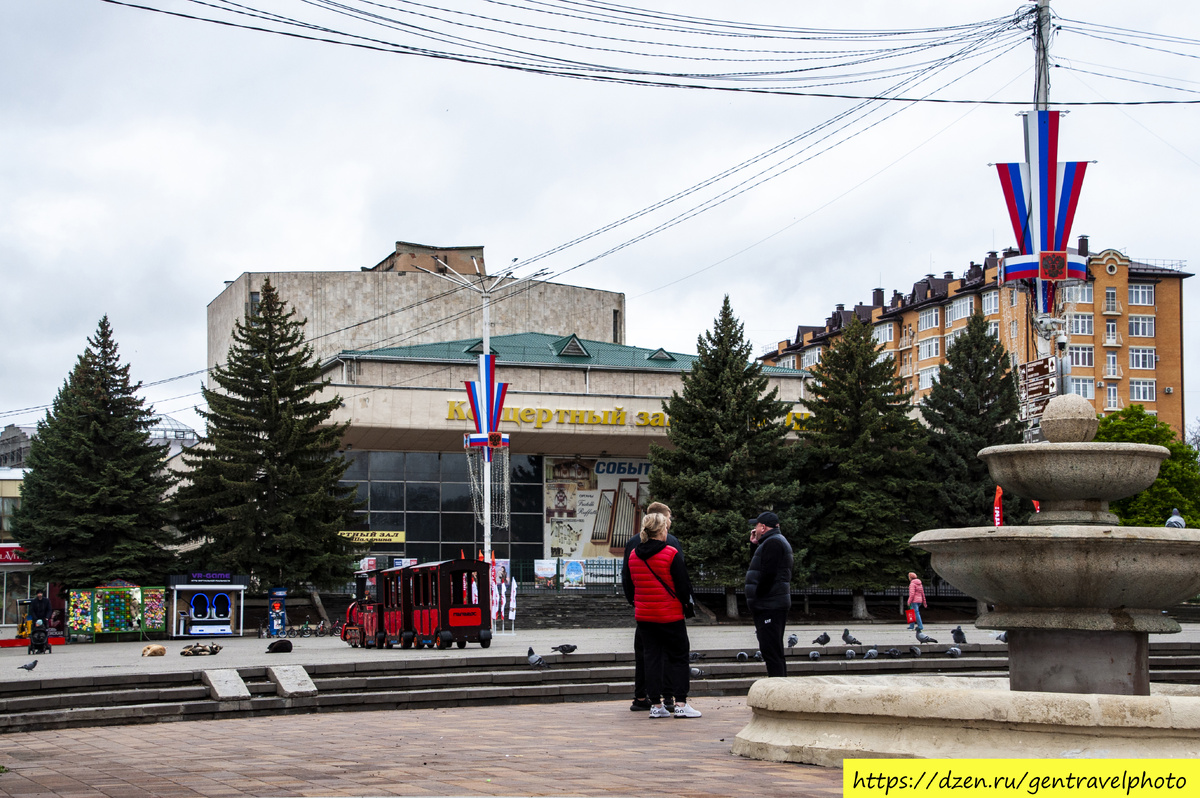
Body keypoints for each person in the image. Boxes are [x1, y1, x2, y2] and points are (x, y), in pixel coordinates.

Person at [624, 512, 701, 718]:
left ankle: (656, 705)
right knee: (678, 657)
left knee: (651, 659)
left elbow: (631, 584)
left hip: (645, 616)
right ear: (660, 531)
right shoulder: (671, 553)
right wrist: (685, 603)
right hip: (670, 615)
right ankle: (681, 703)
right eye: (665, 528)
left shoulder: (634, 555)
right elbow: (683, 585)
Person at [622, 501, 681, 712]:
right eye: (669, 518)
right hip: (667, 610)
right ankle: (669, 698)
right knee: (667, 654)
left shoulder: (632, 543)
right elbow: (679, 578)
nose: (671, 522)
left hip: (644, 609)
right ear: (662, 519)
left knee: (644, 653)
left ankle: (641, 696)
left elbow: (627, 577)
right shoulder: (671, 542)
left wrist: (636, 601)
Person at [745, 512, 793, 678]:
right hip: (772, 603)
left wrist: (758, 597)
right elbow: (760, 565)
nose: (755, 529)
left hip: (770, 605)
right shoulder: (771, 542)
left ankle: (778, 688)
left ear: (763, 527)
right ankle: (779, 686)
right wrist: (754, 544)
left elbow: (767, 574)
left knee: (771, 650)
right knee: (772, 649)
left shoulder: (773, 543)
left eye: (757, 525)